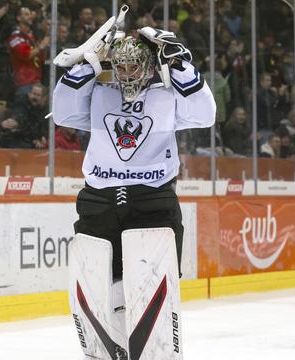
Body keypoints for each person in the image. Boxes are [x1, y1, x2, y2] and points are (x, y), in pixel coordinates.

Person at [52, 26, 215, 359]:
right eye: (120, 67)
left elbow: (205, 114)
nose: (125, 74)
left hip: (152, 201)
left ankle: (151, 350)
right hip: (99, 201)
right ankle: (116, 348)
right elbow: (64, 111)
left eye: (133, 67)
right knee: (104, 285)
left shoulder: (166, 95)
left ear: (151, 66)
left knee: (152, 283)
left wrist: (181, 63)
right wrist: (89, 61)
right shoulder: (100, 93)